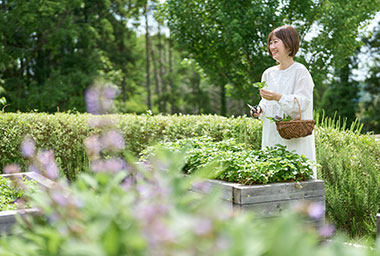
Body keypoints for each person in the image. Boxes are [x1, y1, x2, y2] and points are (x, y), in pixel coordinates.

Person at [251, 25, 317, 178]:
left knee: (295, 176)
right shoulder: (268, 73)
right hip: (271, 134)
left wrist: (277, 97)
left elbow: (303, 102)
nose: (271, 46)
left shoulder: (300, 71)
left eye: (275, 42)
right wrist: (259, 110)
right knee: (272, 174)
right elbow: (265, 102)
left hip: (293, 138)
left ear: (289, 44)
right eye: (270, 43)